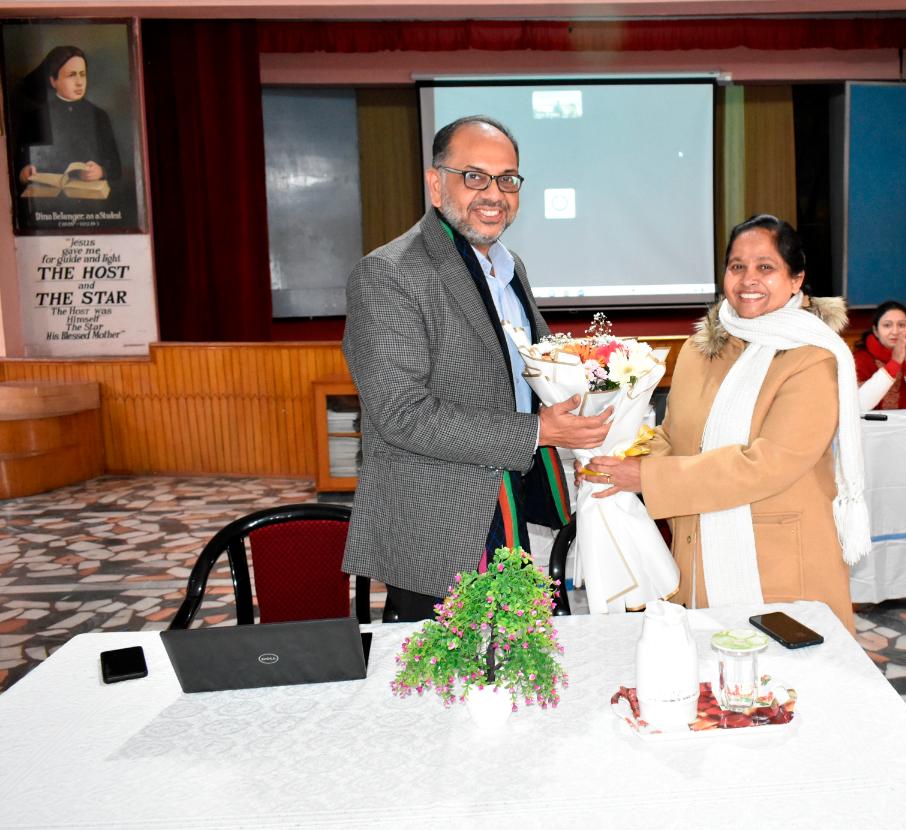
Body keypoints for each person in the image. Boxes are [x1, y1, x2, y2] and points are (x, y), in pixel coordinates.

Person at [341, 115, 611, 622]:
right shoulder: (390, 273)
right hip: (440, 523)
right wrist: (539, 431)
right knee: (451, 668)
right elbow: (401, 414)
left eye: (507, 179)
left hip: (511, 500)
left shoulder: (509, 266)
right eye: (474, 176)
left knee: (521, 653)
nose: (494, 194)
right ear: (435, 183)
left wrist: (593, 386)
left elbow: (526, 368)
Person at [580, 215, 871, 633]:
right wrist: (611, 459)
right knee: (706, 667)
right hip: (697, 557)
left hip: (779, 566)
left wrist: (644, 477)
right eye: (737, 266)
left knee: (779, 672)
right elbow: (673, 436)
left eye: (765, 267)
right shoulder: (700, 351)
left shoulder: (813, 357)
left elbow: (768, 464)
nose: (748, 279)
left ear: (796, 280)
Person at [13, 45, 122, 189]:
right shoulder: (35, 117)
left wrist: (101, 171)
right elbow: (18, 165)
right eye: (71, 75)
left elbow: (116, 167)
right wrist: (24, 172)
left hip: (89, 198)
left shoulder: (99, 116)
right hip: (49, 199)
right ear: (53, 81)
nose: (79, 82)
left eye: (82, 74)